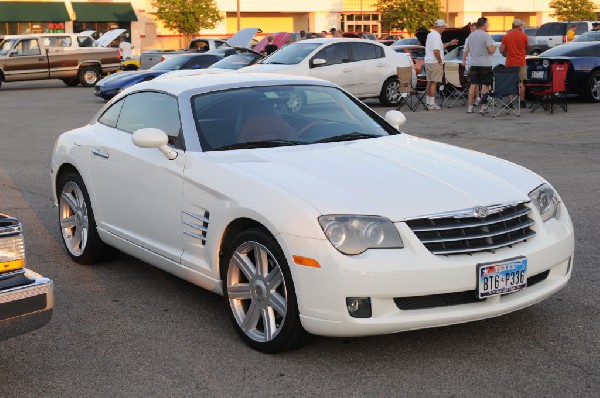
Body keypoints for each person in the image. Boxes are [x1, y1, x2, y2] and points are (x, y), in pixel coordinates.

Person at [424, 19, 459, 110]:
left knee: (430, 82)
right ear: (440, 27)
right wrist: (440, 61)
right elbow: (436, 51)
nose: (444, 28)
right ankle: (431, 104)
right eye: (444, 27)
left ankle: (428, 103)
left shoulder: (430, 35)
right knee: (434, 83)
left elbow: (439, 46)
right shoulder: (436, 36)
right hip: (434, 62)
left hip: (428, 61)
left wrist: (450, 43)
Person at [465, 17, 496, 113]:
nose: (488, 26)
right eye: (487, 24)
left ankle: (470, 107)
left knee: (473, 84)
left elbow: (467, 50)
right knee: (485, 85)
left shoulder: (470, 36)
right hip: (485, 63)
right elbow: (491, 50)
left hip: (473, 63)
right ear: (484, 24)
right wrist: (494, 47)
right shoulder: (486, 36)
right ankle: (483, 106)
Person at [500, 19, 529, 108]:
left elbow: (502, 50)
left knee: (511, 82)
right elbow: (527, 47)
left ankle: (510, 102)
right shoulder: (524, 36)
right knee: (521, 82)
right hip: (521, 61)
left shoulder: (506, 36)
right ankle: (522, 101)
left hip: (510, 62)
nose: (522, 27)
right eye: (521, 26)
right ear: (518, 26)